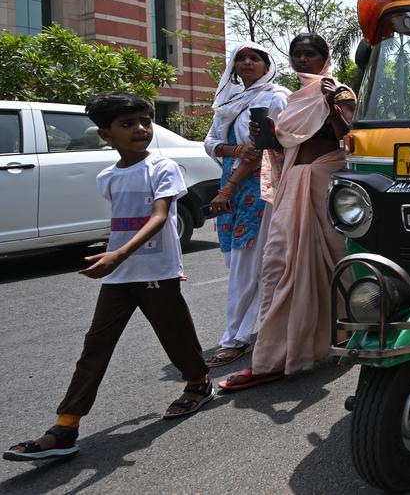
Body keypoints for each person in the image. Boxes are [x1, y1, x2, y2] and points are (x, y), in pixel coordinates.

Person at [4, 93, 211, 462]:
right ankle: (65, 426)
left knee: (174, 333)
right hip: (119, 273)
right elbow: (122, 221)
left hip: (154, 271)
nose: (141, 130)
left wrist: (119, 254)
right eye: (128, 124)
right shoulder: (107, 176)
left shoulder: (163, 168)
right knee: (95, 346)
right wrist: (112, 252)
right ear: (106, 134)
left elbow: (160, 217)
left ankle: (198, 383)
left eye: (145, 122)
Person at [217, 33, 356, 391]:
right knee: (280, 266)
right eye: (297, 54)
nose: (302, 60)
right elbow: (282, 144)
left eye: (310, 54)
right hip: (293, 182)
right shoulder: (293, 99)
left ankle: (345, 333)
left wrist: (334, 103)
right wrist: (266, 135)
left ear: (324, 57)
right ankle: (272, 356)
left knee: (333, 264)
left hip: (326, 179)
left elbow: (351, 137)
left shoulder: (339, 90)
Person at [201, 44, 290, 368]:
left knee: (245, 261)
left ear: (267, 65)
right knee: (233, 258)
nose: (248, 62)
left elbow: (265, 150)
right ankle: (275, 324)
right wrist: (234, 150)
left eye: (256, 58)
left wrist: (230, 184)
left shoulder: (276, 97)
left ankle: (235, 338)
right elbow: (209, 142)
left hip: (259, 186)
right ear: (233, 66)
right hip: (230, 184)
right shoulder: (227, 101)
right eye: (242, 57)